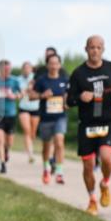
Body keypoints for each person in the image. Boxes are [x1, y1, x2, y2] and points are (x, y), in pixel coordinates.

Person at [66, 35, 111, 215]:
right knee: (88, 165)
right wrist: (79, 97)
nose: (95, 51)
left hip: (109, 121)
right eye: (92, 47)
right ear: (86, 49)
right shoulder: (78, 73)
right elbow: (69, 100)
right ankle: (92, 199)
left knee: (107, 157)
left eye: (98, 47)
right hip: (87, 124)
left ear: (103, 49)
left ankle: (105, 183)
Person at [32, 53, 69, 185]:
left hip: (60, 117)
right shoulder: (41, 80)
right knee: (46, 146)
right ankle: (46, 168)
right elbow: (31, 96)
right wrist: (42, 95)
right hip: (46, 118)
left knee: (59, 141)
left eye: (56, 63)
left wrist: (67, 102)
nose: (54, 66)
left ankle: (59, 172)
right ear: (47, 65)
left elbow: (68, 96)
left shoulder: (65, 81)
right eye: (51, 63)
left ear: (60, 65)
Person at [0, 59, 23, 174]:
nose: (7, 71)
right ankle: (2, 164)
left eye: (9, 69)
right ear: (0, 69)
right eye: (5, 69)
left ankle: (7, 150)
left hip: (11, 114)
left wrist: (14, 96)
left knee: (9, 142)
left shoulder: (14, 80)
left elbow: (21, 94)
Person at [17, 61, 40, 163]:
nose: (26, 70)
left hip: (35, 107)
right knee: (27, 130)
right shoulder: (18, 80)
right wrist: (19, 94)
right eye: (25, 68)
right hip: (24, 107)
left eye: (28, 68)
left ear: (31, 69)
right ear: (22, 69)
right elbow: (17, 92)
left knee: (33, 132)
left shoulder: (36, 78)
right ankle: (30, 155)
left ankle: (29, 145)